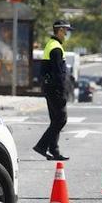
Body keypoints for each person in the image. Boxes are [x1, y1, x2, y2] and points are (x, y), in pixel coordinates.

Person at [32, 20, 73, 161]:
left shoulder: (51, 45)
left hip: (50, 89)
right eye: (66, 31)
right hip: (55, 90)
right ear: (60, 30)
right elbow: (58, 74)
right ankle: (42, 146)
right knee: (61, 119)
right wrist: (62, 92)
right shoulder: (56, 48)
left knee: (55, 120)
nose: (67, 34)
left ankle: (54, 151)